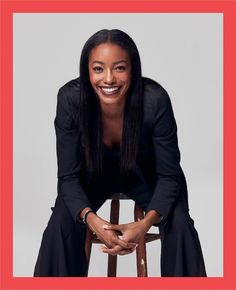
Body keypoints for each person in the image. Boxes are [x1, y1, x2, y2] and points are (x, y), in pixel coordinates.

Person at [34, 29, 207, 277]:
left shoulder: (155, 100)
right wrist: (95, 223)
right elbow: (68, 178)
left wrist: (144, 224)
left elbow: (169, 177)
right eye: (98, 69)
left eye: (119, 68)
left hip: (148, 176)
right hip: (92, 175)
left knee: (180, 223)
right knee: (59, 225)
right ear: (87, 71)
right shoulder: (70, 99)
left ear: (133, 69)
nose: (108, 79)